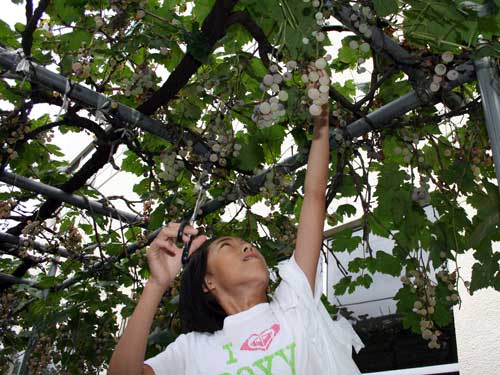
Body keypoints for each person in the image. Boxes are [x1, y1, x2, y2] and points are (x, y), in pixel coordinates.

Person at [108, 98, 364, 374]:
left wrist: (321, 116)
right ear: (207, 282)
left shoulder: (294, 302)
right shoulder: (192, 350)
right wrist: (156, 284)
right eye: (227, 246)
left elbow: (313, 196)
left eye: (245, 244)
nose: (247, 248)